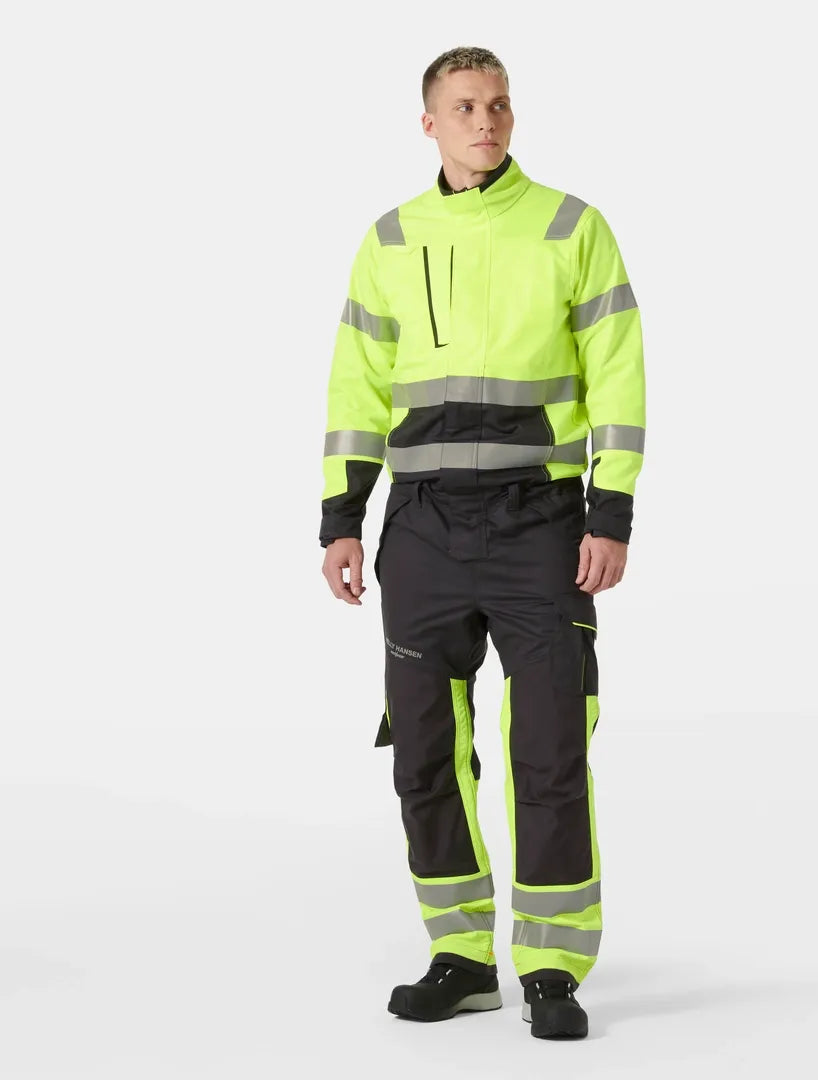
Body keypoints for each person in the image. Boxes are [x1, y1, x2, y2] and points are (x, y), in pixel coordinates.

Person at [318, 45, 645, 1040]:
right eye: (464, 107)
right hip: (419, 526)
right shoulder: (389, 239)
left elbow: (618, 373)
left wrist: (610, 512)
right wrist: (341, 517)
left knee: (549, 746)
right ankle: (460, 957)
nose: (486, 121)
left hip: (539, 521)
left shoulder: (571, 227)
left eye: (498, 104)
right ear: (430, 123)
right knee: (423, 751)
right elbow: (356, 384)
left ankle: (551, 966)